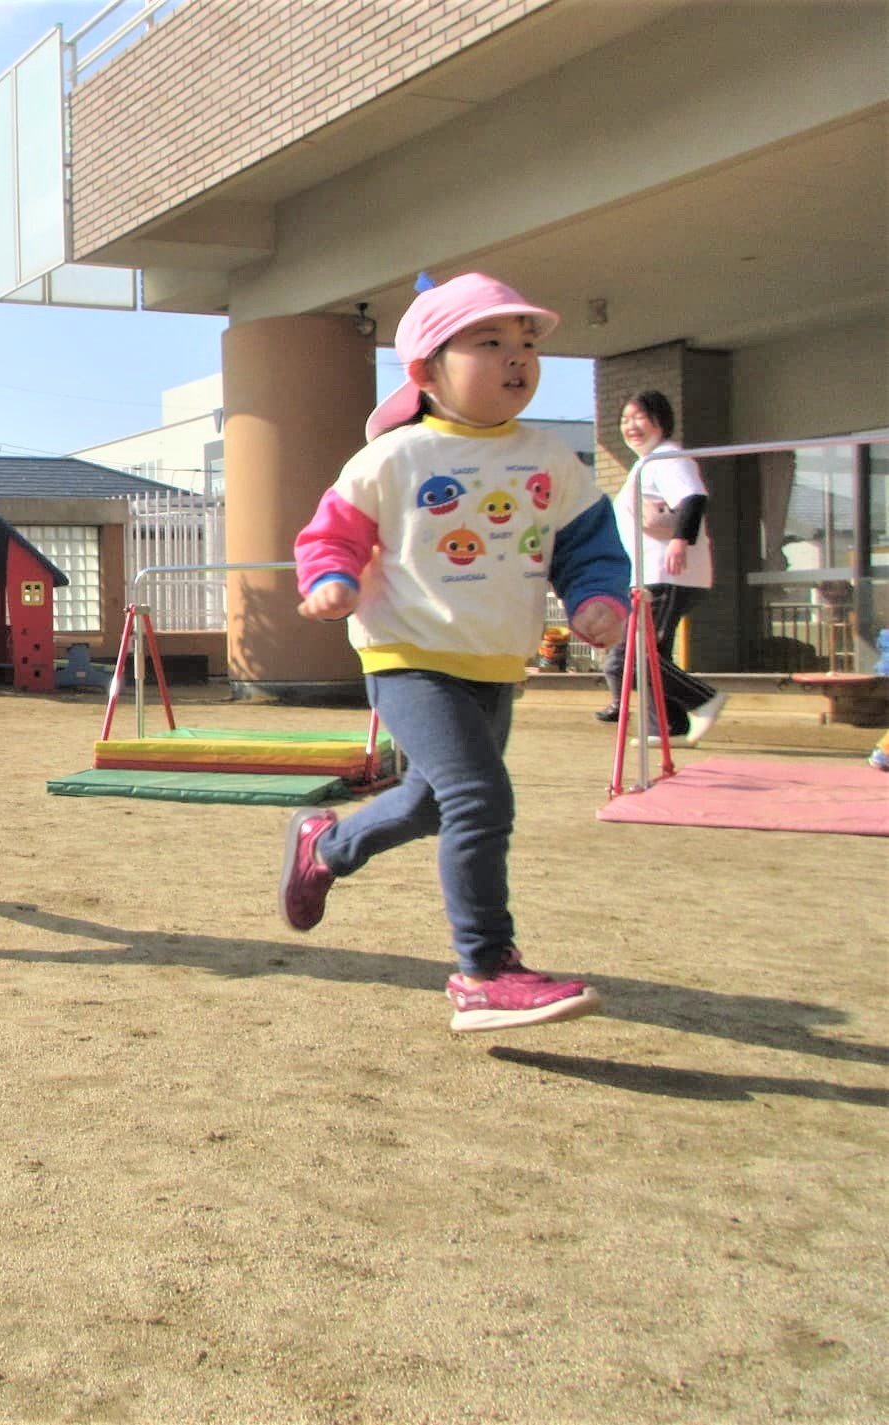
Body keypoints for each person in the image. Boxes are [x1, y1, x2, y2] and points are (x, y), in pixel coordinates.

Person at [282, 272, 631, 1033]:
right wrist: (333, 578)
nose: (517, 357)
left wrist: (596, 599)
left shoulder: (551, 458)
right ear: (426, 372)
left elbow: (587, 545)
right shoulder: (394, 457)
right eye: (490, 342)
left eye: (527, 344)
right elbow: (331, 532)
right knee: (480, 797)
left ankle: (326, 847)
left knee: (435, 802)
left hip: (494, 663)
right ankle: (486, 971)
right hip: (407, 655)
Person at [596, 389, 727, 744]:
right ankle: (668, 727)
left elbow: (693, 498)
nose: (631, 426)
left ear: (661, 420)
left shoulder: (668, 457)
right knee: (652, 654)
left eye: (639, 417)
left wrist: (680, 540)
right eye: (625, 420)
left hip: (667, 573)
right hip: (650, 574)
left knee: (634, 658)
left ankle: (703, 699)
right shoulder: (646, 463)